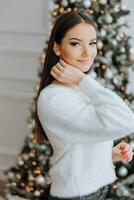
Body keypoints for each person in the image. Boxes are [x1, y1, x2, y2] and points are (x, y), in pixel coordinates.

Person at [35, 11, 134, 200]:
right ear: (57, 48)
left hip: (100, 190)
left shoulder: (79, 88)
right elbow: (128, 120)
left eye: (92, 43)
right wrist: (82, 79)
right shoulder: (54, 99)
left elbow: (75, 146)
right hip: (80, 195)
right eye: (75, 43)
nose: (88, 53)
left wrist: (107, 154)